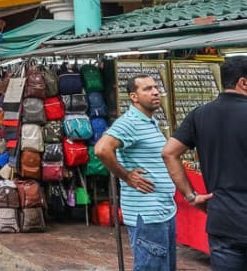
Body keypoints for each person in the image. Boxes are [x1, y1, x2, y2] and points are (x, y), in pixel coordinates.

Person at [162, 56, 247, 270]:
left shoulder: (199, 115)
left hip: (223, 219)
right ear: (243, 82)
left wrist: (191, 196)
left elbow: (169, 152)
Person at [95, 75, 176, 271]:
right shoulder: (129, 122)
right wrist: (126, 175)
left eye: (156, 87)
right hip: (147, 215)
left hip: (163, 211)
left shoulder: (149, 121)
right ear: (134, 96)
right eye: (147, 89)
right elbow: (102, 149)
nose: (155, 92)